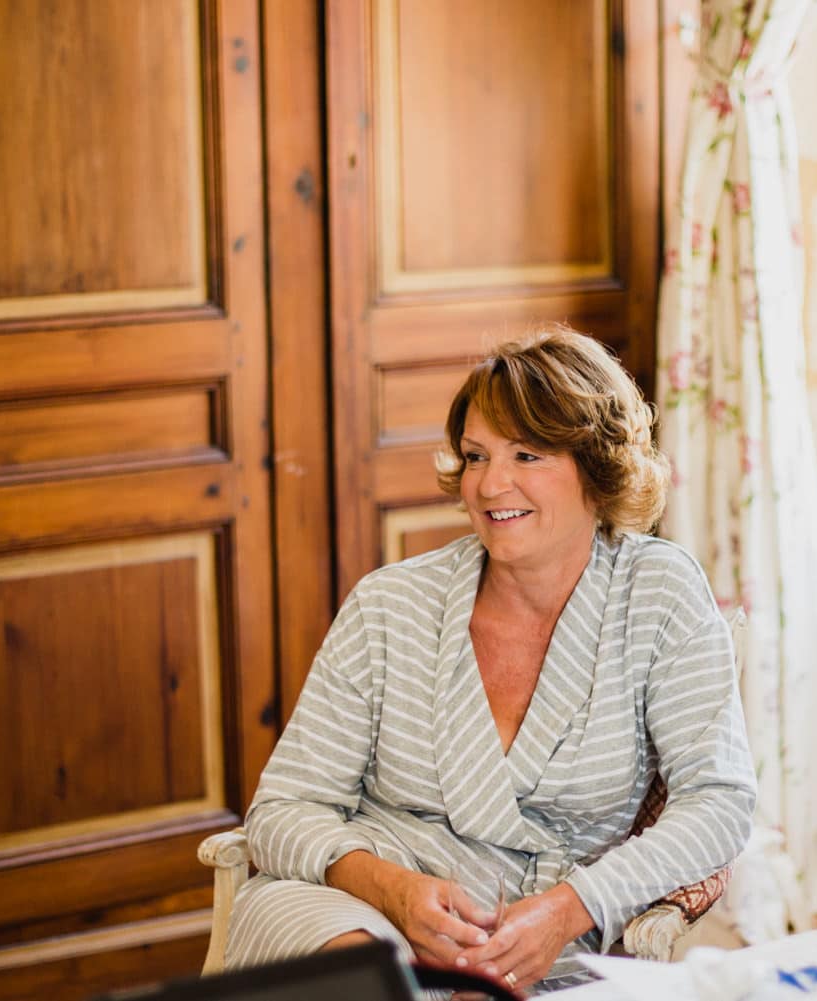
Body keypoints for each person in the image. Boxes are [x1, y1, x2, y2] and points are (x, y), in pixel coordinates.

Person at [225, 326, 755, 992]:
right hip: (358, 905)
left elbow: (719, 801)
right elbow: (281, 810)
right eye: (476, 456)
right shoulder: (390, 605)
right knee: (366, 977)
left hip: (549, 936)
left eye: (527, 454)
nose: (490, 483)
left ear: (597, 466)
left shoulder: (660, 594)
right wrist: (391, 890)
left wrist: (571, 908)